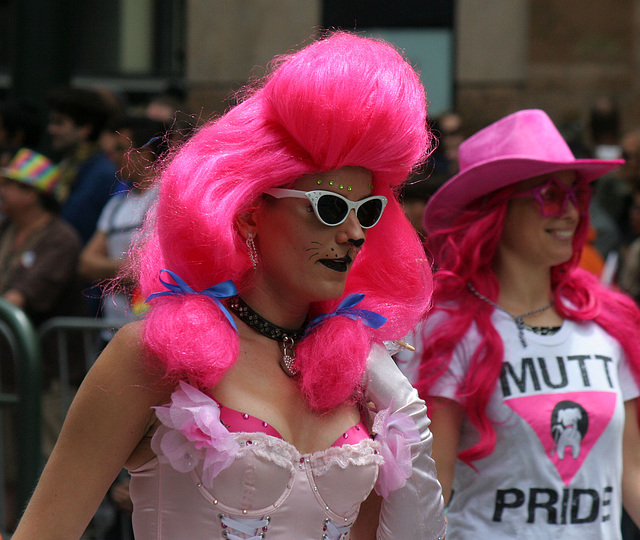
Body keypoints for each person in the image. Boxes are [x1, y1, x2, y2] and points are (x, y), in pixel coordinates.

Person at [13, 32, 446, 539]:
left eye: (367, 213)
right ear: (248, 214)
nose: (352, 233)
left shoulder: (363, 375)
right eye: (329, 207)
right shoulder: (152, 355)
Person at [406, 109, 640, 538]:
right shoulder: (450, 332)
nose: (569, 213)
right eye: (550, 196)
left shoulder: (608, 325)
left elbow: (632, 474)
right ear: (496, 210)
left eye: (577, 196)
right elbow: (429, 493)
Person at [80, 116, 166, 323]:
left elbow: (155, 268)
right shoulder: (115, 204)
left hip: (153, 328)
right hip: (111, 331)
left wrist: (107, 270)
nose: (113, 156)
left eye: (120, 149)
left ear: (145, 153)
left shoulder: (168, 199)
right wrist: (127, 269)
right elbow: (85, 263)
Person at [0, 148, 83, 327]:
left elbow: (21, 297)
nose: (1, 190)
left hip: (39, 350)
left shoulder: (61, 239)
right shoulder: (6, 227)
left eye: (7, 184)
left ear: (31, 192)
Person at [46, 86, 121, 245]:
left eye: (59, 123)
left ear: (85, 129)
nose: (51, 129)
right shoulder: (65, 167)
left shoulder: (103, 173)